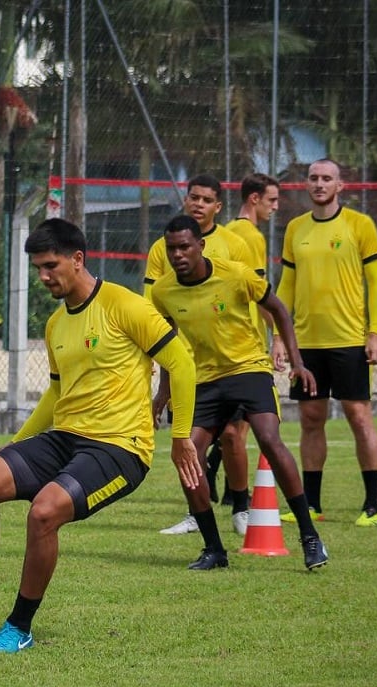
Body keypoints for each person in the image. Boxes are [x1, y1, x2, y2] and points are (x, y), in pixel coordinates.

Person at [0, 218, 204, 654]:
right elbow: (57, 392)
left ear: (78, 259)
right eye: (38, 268)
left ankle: (19, 626)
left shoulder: (126, 306)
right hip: (67, 435)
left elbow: (182, 363)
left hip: (121, 447)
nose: (43, 277)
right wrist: (18, 440)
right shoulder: (56, 325)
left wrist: (181, 437)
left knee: (44, 512)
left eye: (50, 266)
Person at [151, 215, 328, 571]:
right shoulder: (163, 291)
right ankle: (214, 549)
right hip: (203, 381)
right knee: (187, 455)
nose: (178, 254)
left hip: (249, 370)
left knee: (268, 438)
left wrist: (297, 362)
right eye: (171, 248)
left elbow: (278, 310)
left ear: (200, 245)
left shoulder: (236, 274)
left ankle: (310, 538)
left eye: (185, 246)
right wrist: (161, 395)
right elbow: (168, 347)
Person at [144, 174, 260, 538]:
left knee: (230, 436)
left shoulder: (235, 244)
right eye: (193, 197)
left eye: (206, 199)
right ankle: (197, 513)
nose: (198, 203)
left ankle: (241, 506)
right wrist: (156, 369)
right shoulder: (162, 249)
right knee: (189, 444)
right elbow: (154, 313)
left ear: (218, 206)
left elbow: (255, 297)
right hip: (184, 364)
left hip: (231, 361)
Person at [274, 158, 377, 527]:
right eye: (313, 178)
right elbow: (286, 287)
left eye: (327, 179)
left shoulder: (360, 225)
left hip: (349, 340)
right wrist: (278, 336)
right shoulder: (295, 229)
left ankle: (372, 504)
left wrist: (374, 333)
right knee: (310, 418)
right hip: (306, 344)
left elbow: (376, 284)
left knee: (358, 416)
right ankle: (312, 504)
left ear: (341, 186)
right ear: (306, 185)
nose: (319, 184)